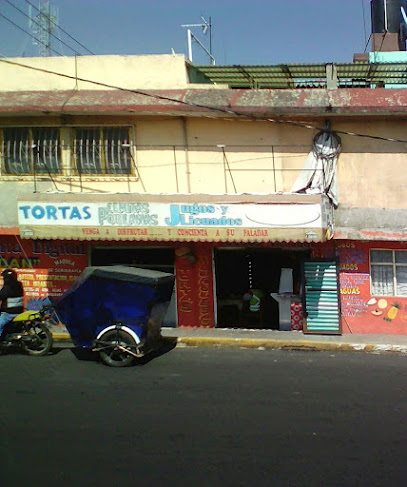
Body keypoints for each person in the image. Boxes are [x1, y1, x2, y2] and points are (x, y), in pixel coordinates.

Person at [0, 268, 24, 338]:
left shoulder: (7, 287)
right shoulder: (19, 285)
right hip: (19, 311)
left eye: (4, 277)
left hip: (9, 313)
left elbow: (1, 296)